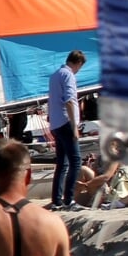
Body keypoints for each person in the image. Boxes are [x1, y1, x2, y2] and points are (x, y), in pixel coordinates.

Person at [47, 50, 86, 210]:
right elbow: (69, 100)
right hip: (65, 122)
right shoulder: (68, 75)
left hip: (56, 123)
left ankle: (57, 201)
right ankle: (69, 200)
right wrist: (74, 126)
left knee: (61, 163)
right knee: (75, 161)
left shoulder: (55, 75)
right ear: (78, 63)